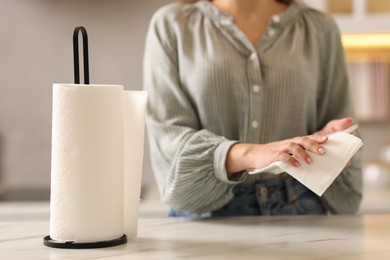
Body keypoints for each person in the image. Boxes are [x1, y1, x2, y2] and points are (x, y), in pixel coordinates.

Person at [143, 0, 362, 217]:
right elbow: (169, 140)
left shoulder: (320, 27)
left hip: (302, 207)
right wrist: (252, 154)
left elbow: (341, 122)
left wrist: (331, 143)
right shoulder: (172, 24)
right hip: (204, 212)